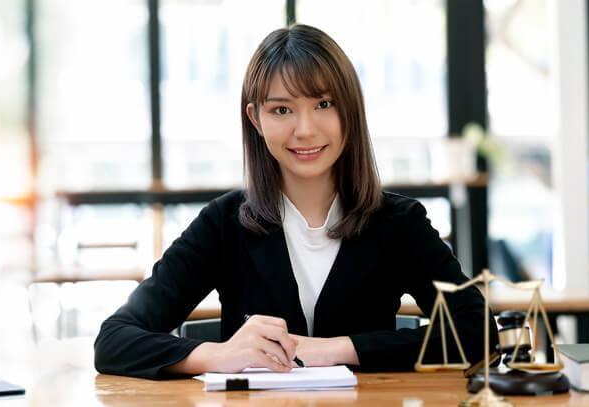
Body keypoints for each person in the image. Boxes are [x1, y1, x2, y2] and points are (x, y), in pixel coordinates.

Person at [94, 24, 497, 379]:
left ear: (350, 110)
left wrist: (333, 349)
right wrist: (220, 355)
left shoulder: (398, 222)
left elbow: (478, 333)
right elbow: (115, 339)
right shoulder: (224, 224)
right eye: (282, 109)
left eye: (324, 104)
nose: (305, 130)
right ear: (256, 119)